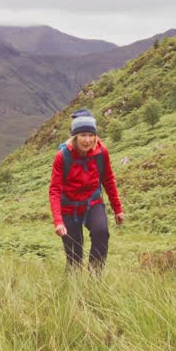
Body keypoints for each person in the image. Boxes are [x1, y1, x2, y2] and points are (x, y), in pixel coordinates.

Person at [49, 108, 123, 273]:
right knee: (74, 257)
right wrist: (58, 221)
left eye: (91, 135)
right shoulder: (62, 156)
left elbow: (108, 180)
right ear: (75, 136)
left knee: (101, 232)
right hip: (68, 207)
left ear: (96, 136)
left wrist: (118, 209)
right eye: (83, 135)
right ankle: (72, 290)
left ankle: (95, 279)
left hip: (92, 202)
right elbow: (54, 190)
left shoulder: (101, 153)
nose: (87, 140)